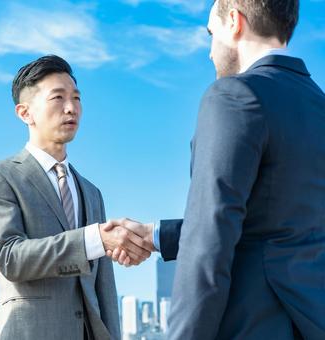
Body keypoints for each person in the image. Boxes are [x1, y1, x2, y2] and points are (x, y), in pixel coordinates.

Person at [107, 0, 325, 339]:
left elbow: (210, 237)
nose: (209, 51)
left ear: (235, 22)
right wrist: (154, 235)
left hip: (253, 325)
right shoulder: (318, 105)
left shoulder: (235, 96)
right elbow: (277, 225)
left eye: (211, 33)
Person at [0, 55, 153, 340]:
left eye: (77, 98)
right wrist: (95, 240)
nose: (72, 108)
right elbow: (11, 258)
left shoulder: (91, 192)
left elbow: (104, 286)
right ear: (25, 113)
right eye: (58, 98)